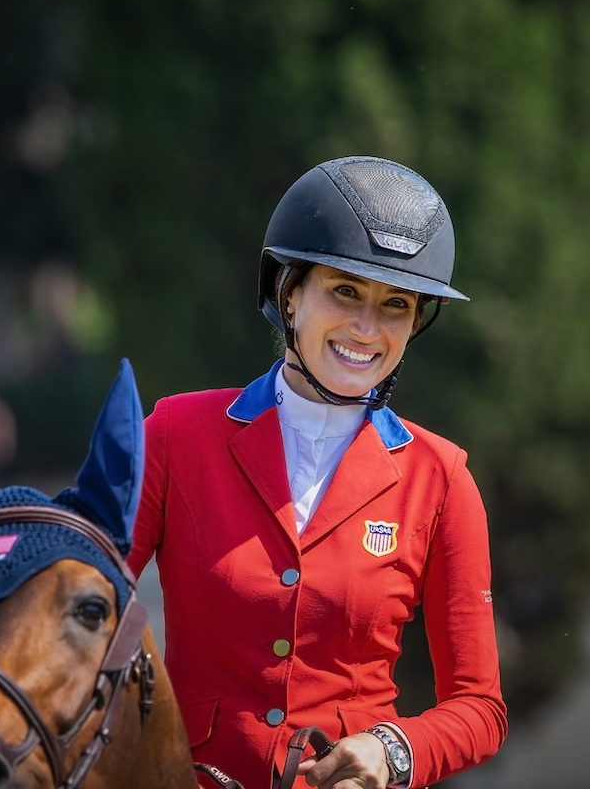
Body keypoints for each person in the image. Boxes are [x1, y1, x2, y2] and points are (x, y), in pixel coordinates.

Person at [127, 156, 507, 789]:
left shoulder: (441, 479)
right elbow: (80, 589)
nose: (366, 328)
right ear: (290, 293)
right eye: (345, 291)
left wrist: (395, 750)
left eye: (396, 305)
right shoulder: (174, 435)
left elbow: (481, 708)